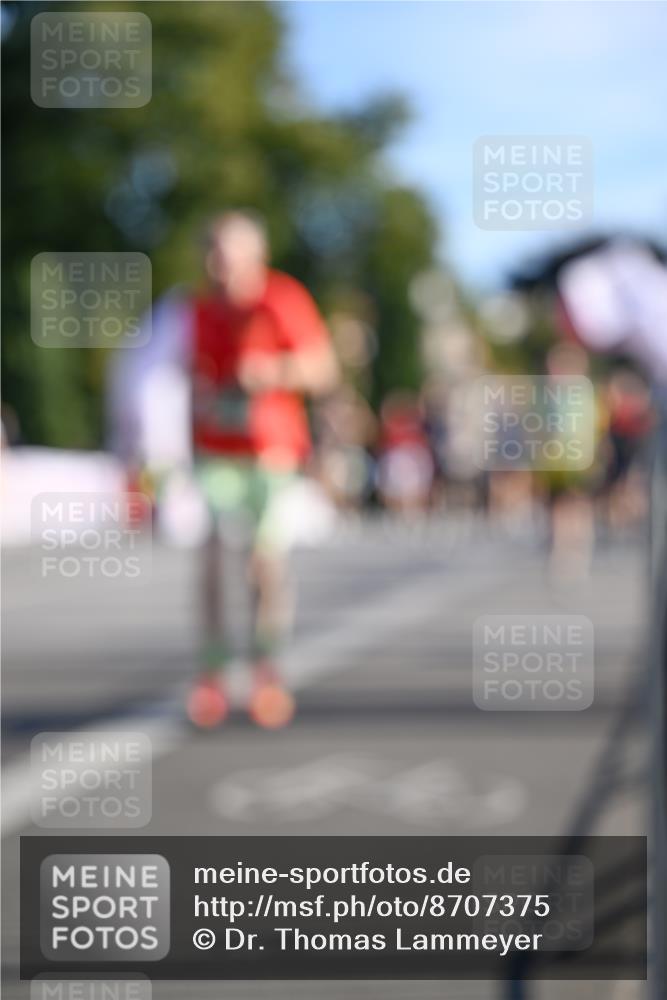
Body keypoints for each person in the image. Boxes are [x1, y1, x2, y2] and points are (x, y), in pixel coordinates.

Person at [188, 211, 338, 728]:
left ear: (256, 257)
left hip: (272, 450)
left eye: (228, 256)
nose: (219, 266)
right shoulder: (201, 309)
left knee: (263, 562)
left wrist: (272, 372)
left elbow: (324, 369)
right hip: (215, 449)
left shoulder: (283, 298)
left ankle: (266, 670)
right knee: (209, 554)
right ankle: (212, 674)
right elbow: (194, 377)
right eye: (213, 254)